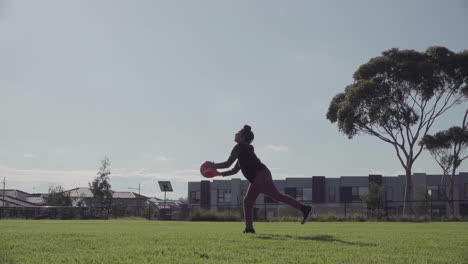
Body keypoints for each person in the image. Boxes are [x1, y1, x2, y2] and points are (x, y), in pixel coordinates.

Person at [206, 125, 314, 234]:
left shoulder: (239, 147)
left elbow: (227, 163)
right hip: (261, 175)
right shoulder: (243, 150)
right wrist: (219, 174)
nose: (236, 134)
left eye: (238, 132)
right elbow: (234, 170)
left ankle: (249, 228)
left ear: (242, 137)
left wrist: (213, 166)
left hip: (260, 176)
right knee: (255, 200)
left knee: (256, 200)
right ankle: (305, 209)